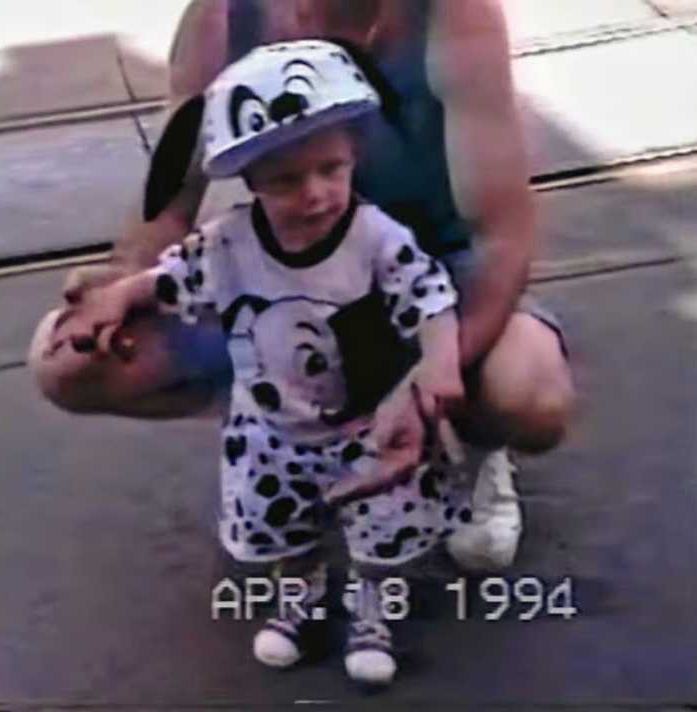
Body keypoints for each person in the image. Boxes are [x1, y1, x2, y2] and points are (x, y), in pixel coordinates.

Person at [30, 0, 574, 570]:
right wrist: (123, 280)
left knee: (526, 392)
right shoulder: (223, 15)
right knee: (68, 362)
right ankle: (292, 430)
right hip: (287, 283)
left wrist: (428, 383)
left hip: (431, 285)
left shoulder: (454, 13)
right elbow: (172, 186)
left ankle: (466, 444)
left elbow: (501, 240)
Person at [61, 39, 470, 685]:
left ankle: (373, 611)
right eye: (286, 180)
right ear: (248, 181)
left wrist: (439, 361)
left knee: (380, 524)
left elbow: (429, 296)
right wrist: (119, 294)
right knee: (286, 526)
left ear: (354, 154)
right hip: (271, 431)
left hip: (364, 417)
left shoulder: (374, 237)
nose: (314, 195)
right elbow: (174, 276)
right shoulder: (231, 243)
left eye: (330, 170)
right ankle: (301, 596)